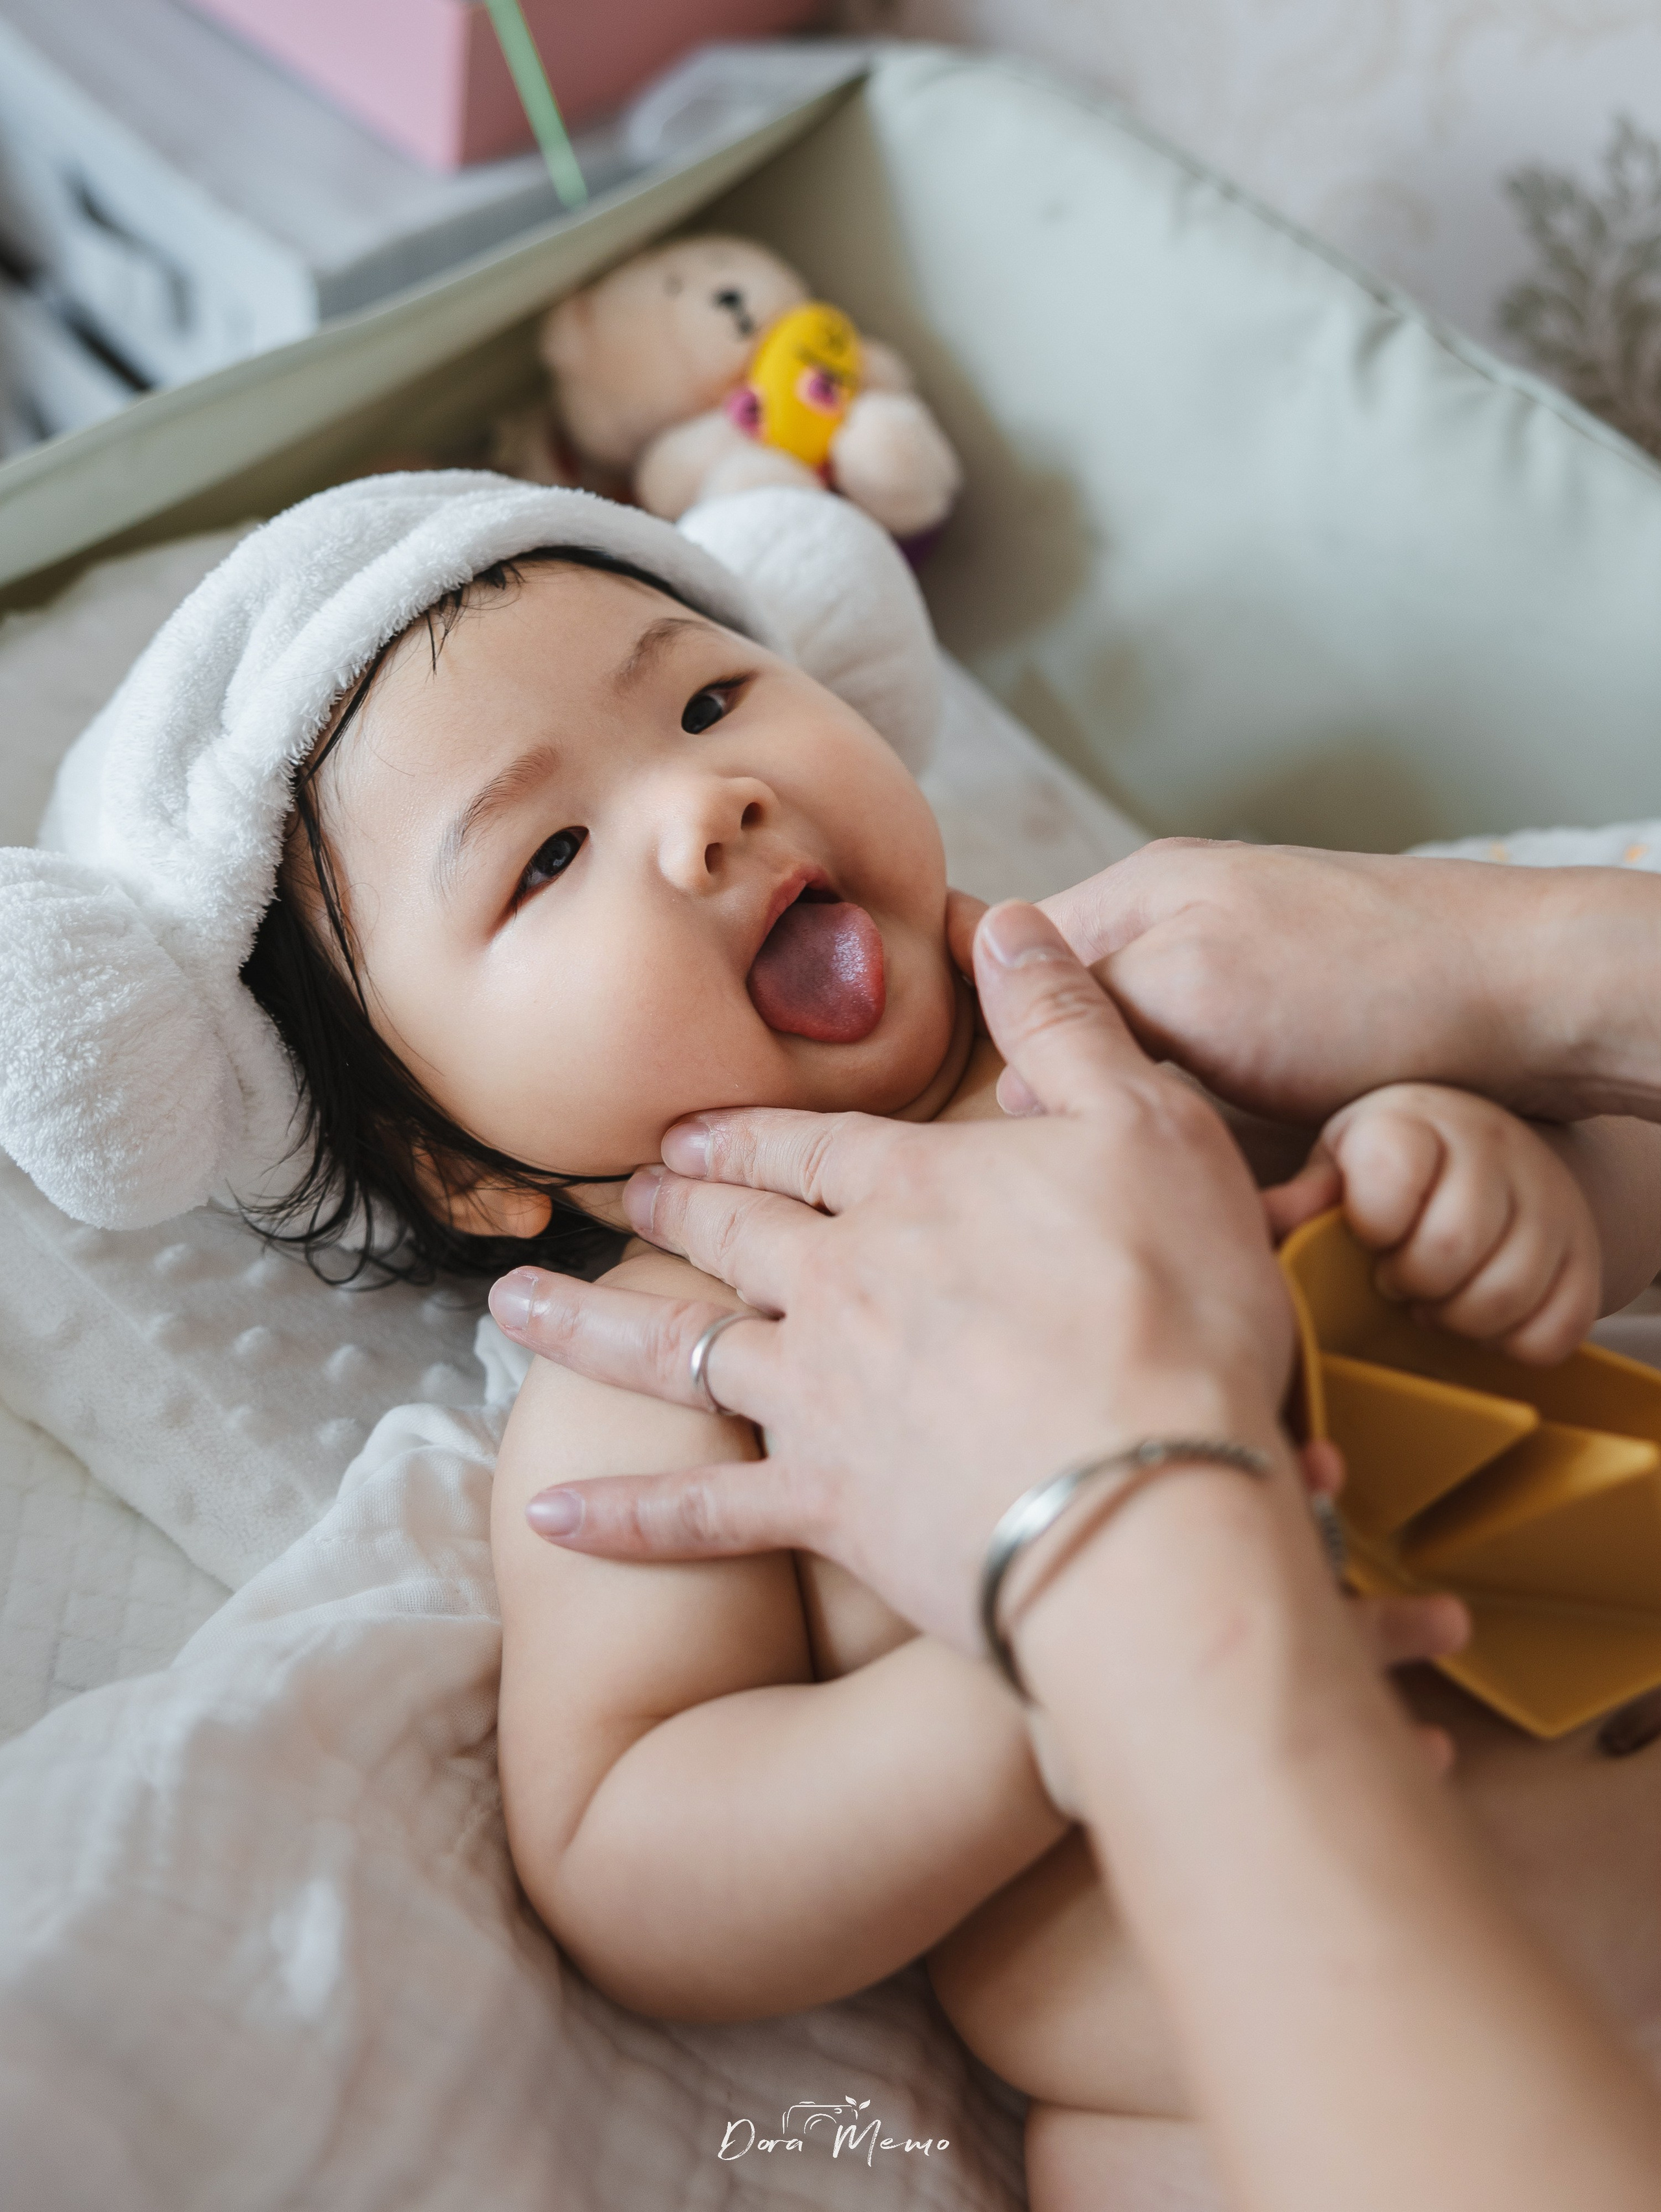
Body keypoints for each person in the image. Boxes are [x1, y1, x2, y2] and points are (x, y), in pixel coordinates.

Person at [488, 891, 1661, 2212]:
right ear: (463, 1175)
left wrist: (1494, 1184)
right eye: (548, 858)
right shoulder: (655, 1355)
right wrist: (1044, 1675)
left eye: (708, 698)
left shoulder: (1137, 1036)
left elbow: (1622, 1132)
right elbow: (636, 1860)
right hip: (1234, 2093)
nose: (711, 807)